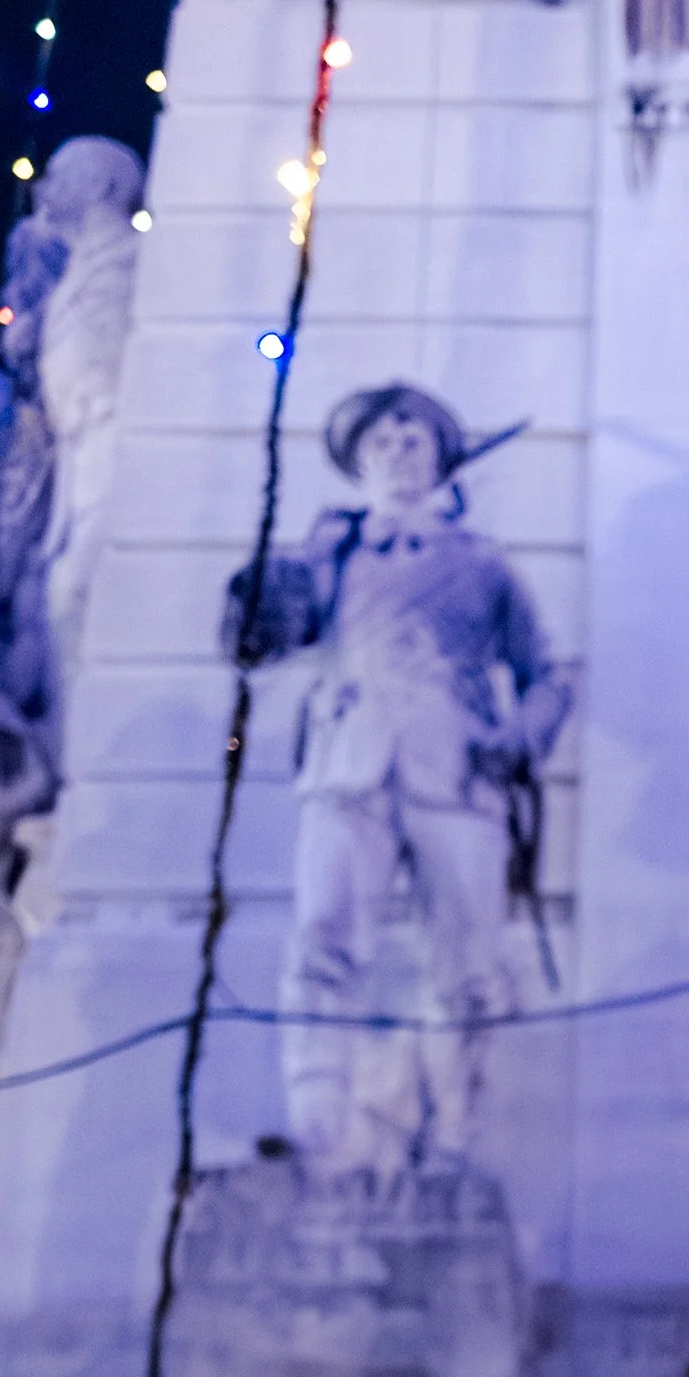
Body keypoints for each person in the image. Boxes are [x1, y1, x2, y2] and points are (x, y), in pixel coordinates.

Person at [226, 382, 562, 1171]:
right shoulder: (330, 556)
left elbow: (546, 676)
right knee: (321, 946)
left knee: (469, 967)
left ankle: (455, 1137)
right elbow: (262, 636)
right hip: (349, 768)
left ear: (442, 460)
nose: (398, 455)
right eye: (380, 443)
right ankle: (317, 1127)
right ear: (358, 462)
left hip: (458, 773)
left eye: (414, 442)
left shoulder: (482, 566)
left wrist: (517, 737)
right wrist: (272, 582)